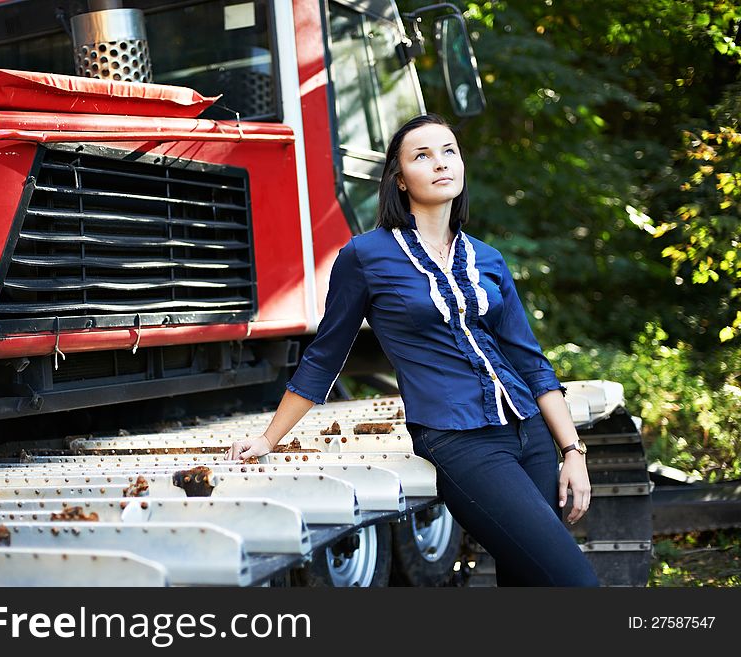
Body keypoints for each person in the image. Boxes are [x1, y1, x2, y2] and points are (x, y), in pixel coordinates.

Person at [225, 113, 599, 587]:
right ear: (400, 180)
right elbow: (325, 356)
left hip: (530, 434)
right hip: (460, 442)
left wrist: (572, 449)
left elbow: (530, 361)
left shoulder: (487, 258)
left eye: (449, 151)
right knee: (576, 583)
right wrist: (267, 439)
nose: (440, 163)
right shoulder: (365, 256)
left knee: (529, 582)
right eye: (422, 156)